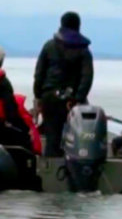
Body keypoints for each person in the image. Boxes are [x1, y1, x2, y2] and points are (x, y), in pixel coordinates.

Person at [33, 11, 94, 156]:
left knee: (52, 137)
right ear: (78, 26)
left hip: (50, 98)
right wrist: (78, 98)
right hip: (72, 101)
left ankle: (51, 171)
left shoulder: (49, 46)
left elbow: (39, 74)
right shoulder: (84, 51)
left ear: (61, 25)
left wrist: (38, 96)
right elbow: (87, 77)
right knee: (75, 138)